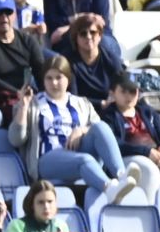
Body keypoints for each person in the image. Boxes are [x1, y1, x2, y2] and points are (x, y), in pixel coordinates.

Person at [9, 59, 143, 206]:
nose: (54, 83)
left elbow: (98, 128)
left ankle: (121, 175)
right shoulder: (32, 103)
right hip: (47, 160)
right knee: (84, 159)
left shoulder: (81, 102)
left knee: (101, 127)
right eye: (49, 78)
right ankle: (109, 189)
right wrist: (23, 106)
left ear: (68, 79)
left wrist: (82, 130)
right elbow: (16, 139)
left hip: (77, 151)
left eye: (59, 77)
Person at [0, 0, 49, 123]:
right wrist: (20, 94)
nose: (4, 18)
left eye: (8, 12)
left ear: (15, 14)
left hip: (26, 94)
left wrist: (46, 96)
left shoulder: (28, 41)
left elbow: (40, 72)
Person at [58, 14, 122, 108]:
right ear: (76, 38)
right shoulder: (68, 61)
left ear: (100, 36)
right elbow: (73, 97)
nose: (88, 37)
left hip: (111, 109)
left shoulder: (111, 59)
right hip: (81, 111)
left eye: (93, 32)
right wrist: (101, 103)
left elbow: (122, 87)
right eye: (83, 33)